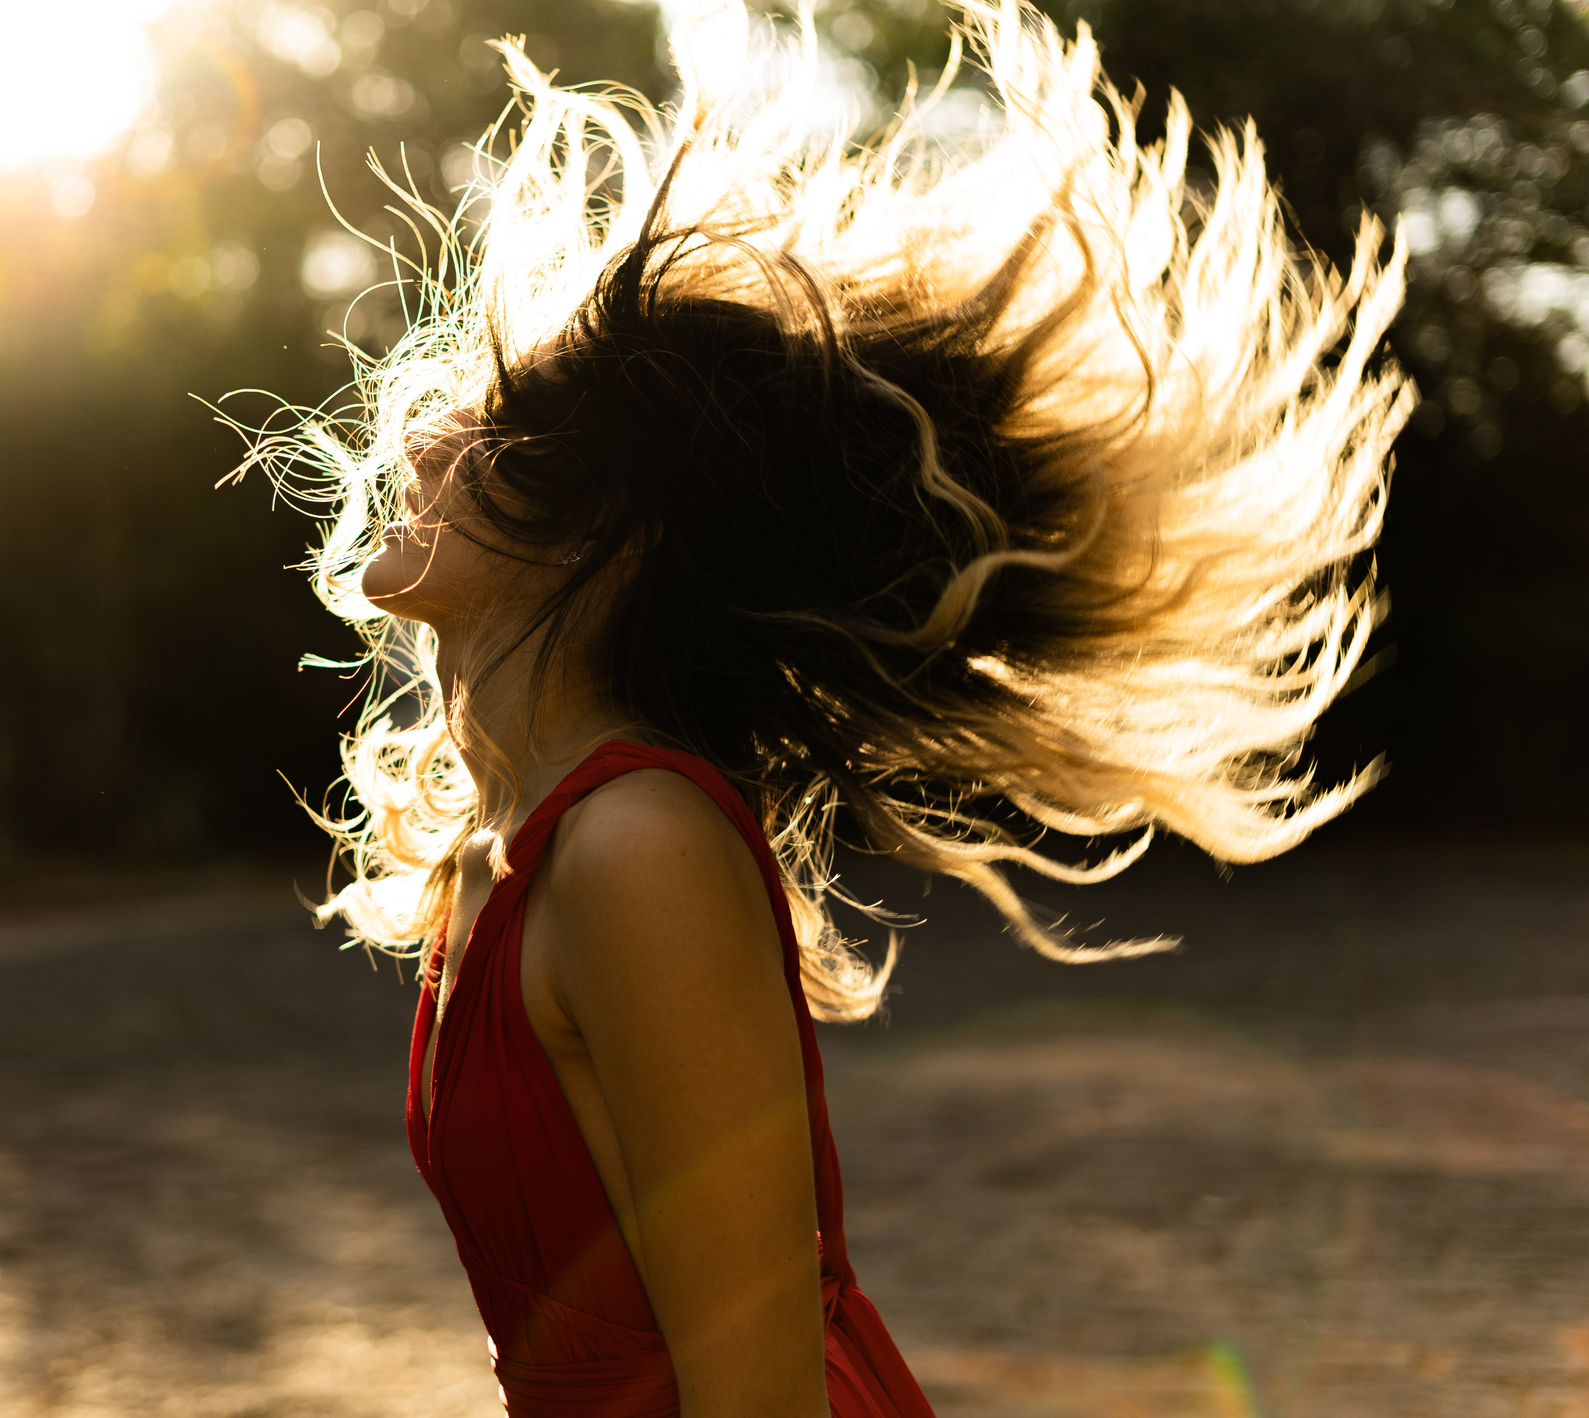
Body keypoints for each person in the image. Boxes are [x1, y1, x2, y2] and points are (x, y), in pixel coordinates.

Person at [246, 0, 1408, 1411]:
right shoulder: (499, 850)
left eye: (501, 434)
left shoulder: (637, 849)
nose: (423, 435)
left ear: (614, 544)